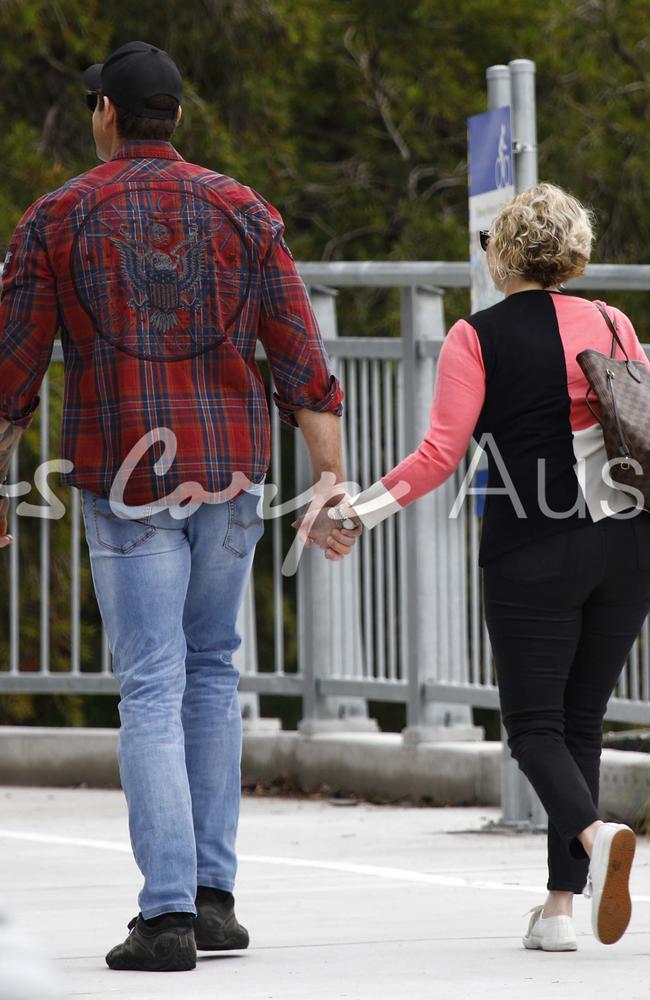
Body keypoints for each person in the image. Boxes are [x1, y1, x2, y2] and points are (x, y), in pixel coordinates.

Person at [0, 40, 360, 972]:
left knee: (152, 681)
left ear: (108, 114)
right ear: (179, 118)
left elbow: (11, 376)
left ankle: (164, 918)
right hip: (233, 472)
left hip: (124, 474)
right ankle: (213, 900)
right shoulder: (243, 209)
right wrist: (329, 483)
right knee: (212, 670)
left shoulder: (57, 217)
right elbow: (302, 360)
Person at [303, 182, 650, 951]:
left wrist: (353, 512)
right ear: (574, 251)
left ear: (501, 256)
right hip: (628, 548)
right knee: (579, 721)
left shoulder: (476, 336)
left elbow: (437, 458)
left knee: (531, 729)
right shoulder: (616, 323)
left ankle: (596, 836)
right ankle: (560, 911)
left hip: (535, 550)